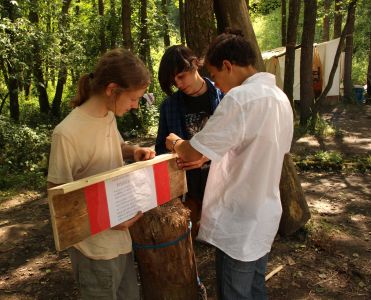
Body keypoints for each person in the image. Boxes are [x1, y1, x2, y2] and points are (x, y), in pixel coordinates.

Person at [165, 30, 294, 299]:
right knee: (256, 288)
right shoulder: (280, 99)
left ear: (227, 66)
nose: (218, 85)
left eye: (216, 76)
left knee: (234, 292)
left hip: (239, 220)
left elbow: (191, 152)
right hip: (264, 214)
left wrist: (176, 142)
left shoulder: (239, 99)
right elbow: (252, 149)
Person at [47, 48, 155, 300]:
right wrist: (106, 220)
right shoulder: (66, 133)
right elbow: (58, 200)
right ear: (111, 89)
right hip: (94, 251)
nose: (135, 105)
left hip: (121, 242)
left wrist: (133, 151)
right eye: (132, 98)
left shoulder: (108, 115)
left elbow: (113, 146)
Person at [155, 45, 224, 238]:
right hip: (189, 189)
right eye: (173, 81)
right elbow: (160, 147)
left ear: (194, 65)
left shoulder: (223, 97)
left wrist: (206, 157)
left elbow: (237, 146)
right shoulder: (169, 106)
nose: (178, 84)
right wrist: (173, 153)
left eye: (181, 77)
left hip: (221, 187)